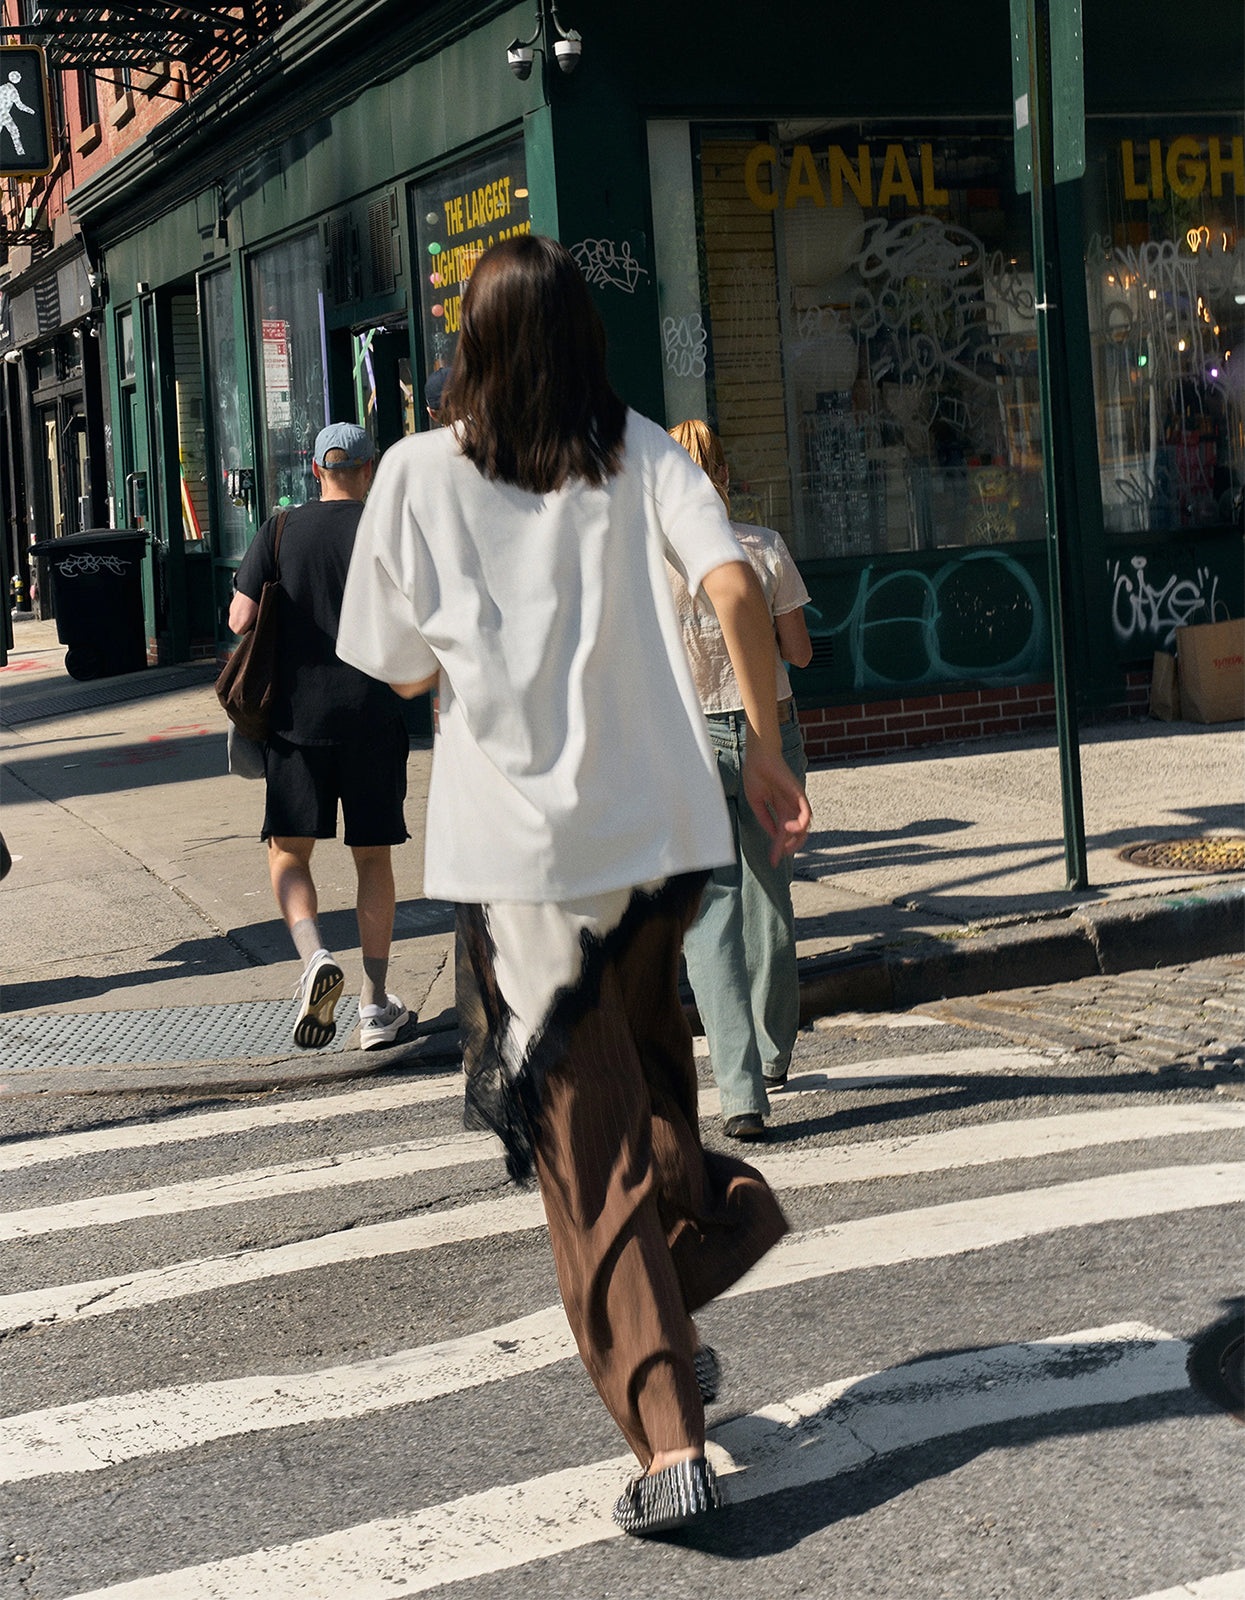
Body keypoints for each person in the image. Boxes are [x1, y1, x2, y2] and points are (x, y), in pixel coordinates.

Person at [336, 235, 811, 1535]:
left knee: (584, 1152)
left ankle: (670, 1435)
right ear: (586, 341)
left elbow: (396, 671)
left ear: (471, 350)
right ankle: (713, 1217)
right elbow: (731, 582)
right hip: (657, 843)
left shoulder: (417, 473)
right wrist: (762, 748)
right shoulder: (643, 450)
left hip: (522, 865)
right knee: (651, 1098)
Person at [228, 422, 411, 1053]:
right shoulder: (386, 528)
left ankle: (314, 959)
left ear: (315, 470)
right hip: (373, 717)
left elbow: (241, 616)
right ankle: (374, 1005)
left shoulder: (281, 528)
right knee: (372, 859)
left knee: (288, 854)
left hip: (296, 724)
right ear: (370, 468)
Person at [666, 421, 813, 1139]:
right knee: (770, 891)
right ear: (724, 475)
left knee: (709, 915)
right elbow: (800, 652)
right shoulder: (759, 547)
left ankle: (739, 1089)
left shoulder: (652, 560)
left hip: (687, 739)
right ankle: (775, 1049)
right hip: (765, 731)